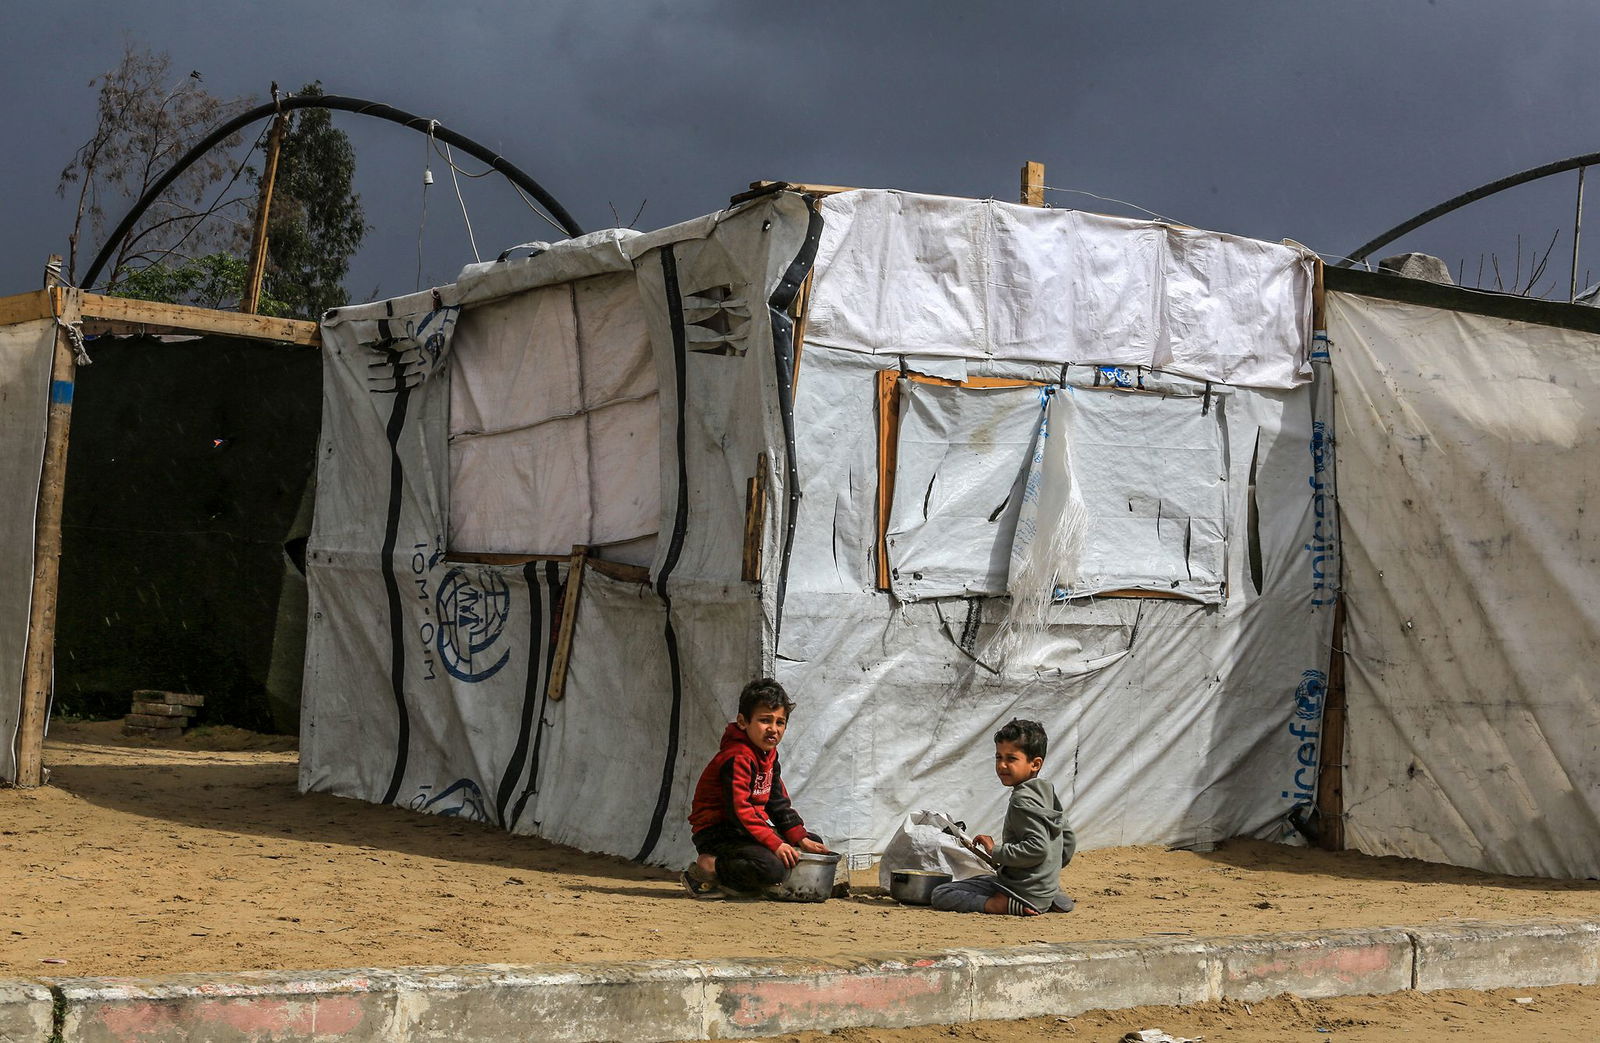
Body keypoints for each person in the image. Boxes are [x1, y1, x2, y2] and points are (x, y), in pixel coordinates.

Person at [682, 678, 830, 897]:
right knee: (772, 867)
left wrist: (798, 836)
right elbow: (739, 810)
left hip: (743, 829)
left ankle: (757, 879)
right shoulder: (737, 757)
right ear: (743, 722)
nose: (773, 729)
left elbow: (776, 802)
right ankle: (710, 866)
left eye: (780, 722)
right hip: (719, 832)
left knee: (811, 843)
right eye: (764, 720)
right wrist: (775, 843)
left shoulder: (768, 755)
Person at [929, 718, 1075, 916]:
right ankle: (1048, 895)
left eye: (1011, 759)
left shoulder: (1021, 800)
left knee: (941, 893)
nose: (1002, 765)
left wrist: (994, 851)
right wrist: (1045, 876)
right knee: (986, 878)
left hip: (1021, 890)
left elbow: (1037, 848)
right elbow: (1068, 840)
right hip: (1043, 888)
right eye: (999, 757)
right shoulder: (1046, 791)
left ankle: (1001, 904)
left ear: (1035, 764)